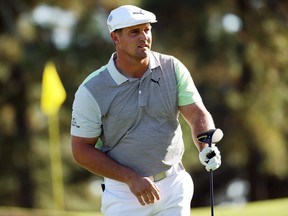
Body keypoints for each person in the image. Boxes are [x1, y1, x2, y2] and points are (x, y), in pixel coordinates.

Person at [71, 5, 222, 216]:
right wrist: (130, 178)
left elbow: (197, 113)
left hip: (173, 184)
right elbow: (80, 149)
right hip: (124, 193)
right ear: (115, 38)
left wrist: (206, 146)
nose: (144, 37)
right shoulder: (92, 89)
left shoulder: (172, 67)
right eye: (134, 32)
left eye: (147, 30)